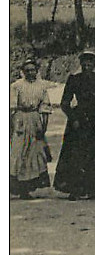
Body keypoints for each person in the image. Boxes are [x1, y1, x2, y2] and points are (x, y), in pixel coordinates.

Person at [54, 51, 95, 200]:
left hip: (94, 117)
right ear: (81, 64)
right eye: (84, 62)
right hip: (78, 118)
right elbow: (65, 102)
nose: (87, 65)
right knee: (76, 154)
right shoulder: (74, 79)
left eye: (91, 62)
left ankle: (94, 188)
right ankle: (75, 188)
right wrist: (73, 117)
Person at [10, 58, 55, 199]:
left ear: (37, 71)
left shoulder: (41, 86)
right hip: (21, 119)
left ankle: (29, 186)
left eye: (33, 70)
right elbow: (11, 106)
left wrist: (43, 127)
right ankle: (17, 186)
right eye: (27, 70)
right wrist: (12, 125)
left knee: (34, 152)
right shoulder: (16, 86)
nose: (31, 73)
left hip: (35, 119)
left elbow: (45, 107)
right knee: (19, 151)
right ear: (23, 72)